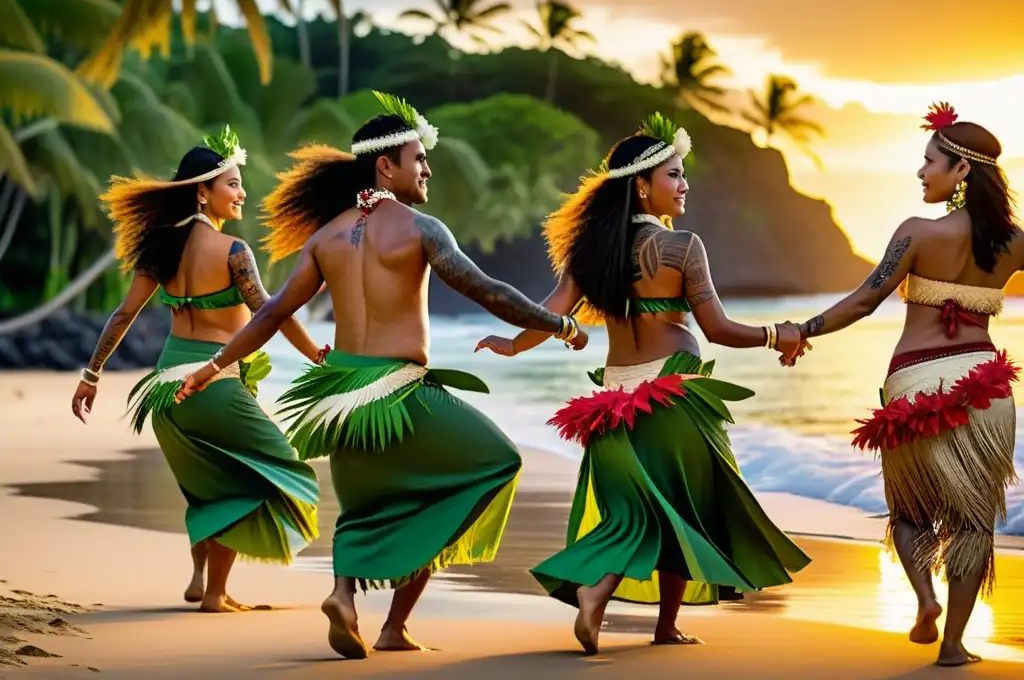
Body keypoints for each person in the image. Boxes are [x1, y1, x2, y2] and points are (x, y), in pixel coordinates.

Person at [175, 92, 588, 657]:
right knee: (494, 462)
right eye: (419, 158)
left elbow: (273, 312)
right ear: (385, 167)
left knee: (364, 506)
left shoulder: (325, 237)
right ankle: (388, 621)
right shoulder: (421, 228)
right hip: (399, 389)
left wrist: (214, 366)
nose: (428, 168)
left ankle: (352, 602)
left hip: (339, 394)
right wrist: (559, 324)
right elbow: (487, 290)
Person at [476, 113, 812, 654]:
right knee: (683, 507)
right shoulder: (683, 248)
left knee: (640, 510)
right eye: (674, 175)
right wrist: (780, 333)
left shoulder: (592, 252)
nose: (684, 185)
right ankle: (606, 596)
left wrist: (513, 345)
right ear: (642, 184)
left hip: (614, 397)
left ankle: (655, 622)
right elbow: (720, 329)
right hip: (674, 393)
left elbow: (550, 310)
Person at [789, 103, 1018, 667]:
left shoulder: (916, 232)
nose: (921, 172)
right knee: (972, 522)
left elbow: (865, 300)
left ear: (961, 171)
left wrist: (799, 330)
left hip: (916, 384)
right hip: (985, 388)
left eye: (929, 161)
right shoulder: (1015, 243)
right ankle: (955, 646)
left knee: (911, 511)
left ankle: (924, 599)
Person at [70, 126, 326, 613]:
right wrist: (315, 353)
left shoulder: (160, 249)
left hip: (163, 391)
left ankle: (200, 576)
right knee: (269, 473)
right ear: (202, 192)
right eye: (232, 183)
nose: (241, 192)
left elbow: (122, 316)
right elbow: (271, 314)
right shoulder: (233, 253)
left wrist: (91, 375)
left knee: (207, 482)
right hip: (212, 381)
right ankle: (215, 594)